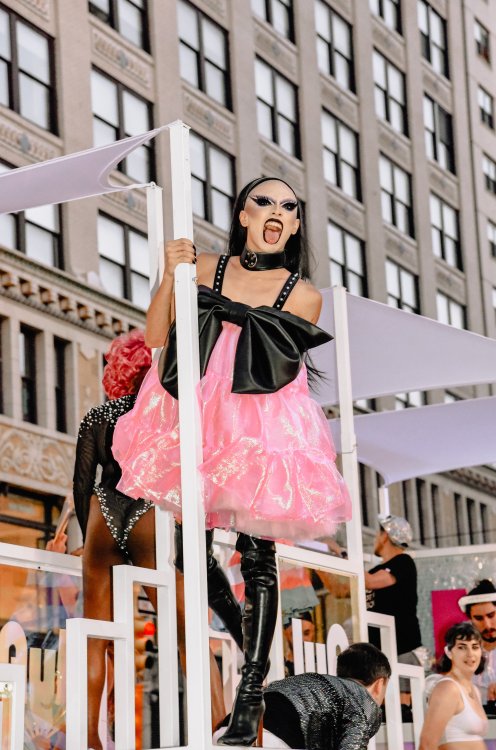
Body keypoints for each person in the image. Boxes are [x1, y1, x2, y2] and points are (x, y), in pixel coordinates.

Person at [113, 176, 351, 746]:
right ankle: (242, 652)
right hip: (195, 405)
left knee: (258, 552)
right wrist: (173, 275)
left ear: (294, 226)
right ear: (243, 213)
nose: (276, 211)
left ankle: (250, 692)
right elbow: (154, 335)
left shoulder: (303, 293)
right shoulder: (204, 267)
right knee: (185, 548)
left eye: (289, 207)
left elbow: (271, 365)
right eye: (264, 201)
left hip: (259, 417)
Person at [73, 330, 243, 749]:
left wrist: (87, 537)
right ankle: (218, 725)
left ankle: (90, 738)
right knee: (189, 633)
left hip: (103, 512)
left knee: (96, 635)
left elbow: (82, 486)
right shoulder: (169, 416)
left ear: (117, 372)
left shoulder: (98, 417)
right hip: (150, 510)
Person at [217, 642, 389, 749]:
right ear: (380, 683)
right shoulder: (362, 701)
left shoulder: (318, 684)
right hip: (272, 739)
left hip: (226, 731)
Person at [364, 514, 422, 711]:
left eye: (377, 534)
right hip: (380, 655)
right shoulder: (379, 569)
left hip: (400, 651)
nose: (374, 539)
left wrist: (344, 557)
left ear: (385, 535)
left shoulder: (403, 562)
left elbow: (370, 582)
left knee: (402, 712)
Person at [419, 622, 487, 750]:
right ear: (449, 652)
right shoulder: (448, 688)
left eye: (475, 647)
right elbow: (427, 744)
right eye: (462, 647)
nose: (470, 654)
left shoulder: (474, 690)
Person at [459, 578, 496, 709]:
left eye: (491, 615)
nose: (487, 625)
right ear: (470, 618)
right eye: (479, 618)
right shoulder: (461, 648)